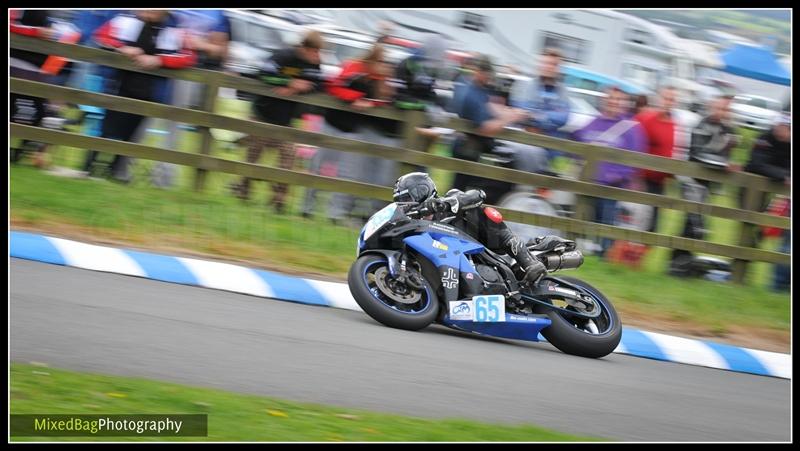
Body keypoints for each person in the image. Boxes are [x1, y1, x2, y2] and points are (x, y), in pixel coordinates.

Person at [82, 10, 197, 182]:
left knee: (131, 135)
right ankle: (90, 168)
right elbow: (101, 35)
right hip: (120, 85)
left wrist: (159, 60)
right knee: (108, 129)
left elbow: (188, 56)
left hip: (150, 92)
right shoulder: (125, 19)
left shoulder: (176, 28)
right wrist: (122, 48)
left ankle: (117, 173)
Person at [393, 172, 547, 286]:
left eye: (407, 200)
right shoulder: (414, 229)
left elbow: (478, 195)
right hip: (455, 272)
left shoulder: (449, 201)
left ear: (422, 192)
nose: (405, 206)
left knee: (482, 211)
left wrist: (443, 204)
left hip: (488, 254)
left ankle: (528, 262)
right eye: (401, 203)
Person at [229, 30, 324, 213]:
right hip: (263, 113)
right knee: (254, 154)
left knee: (288, 156)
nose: (318, 56)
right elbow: (264, 73)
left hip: (286, 120)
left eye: (319, 52)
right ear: (304, 48)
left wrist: (299, 88)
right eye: (315, 51)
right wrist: (287, 82)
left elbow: (319, 84)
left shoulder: (314, 64)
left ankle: (279, 199)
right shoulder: (284, 56)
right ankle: (243, 189)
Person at [320, 43, 402, 224]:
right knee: (322, 167)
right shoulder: (353, 67)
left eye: (387, 62)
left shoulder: (381, 79)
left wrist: (372, 103)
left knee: (355, 174)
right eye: (382, 61)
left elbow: (383, 101)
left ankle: (344, 214)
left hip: (356, 130)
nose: (385, 66)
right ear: (372, 59)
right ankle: (325, 212)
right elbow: (333, 86)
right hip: (334, 125)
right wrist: (355, 98)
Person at [573, 86, 647, 257]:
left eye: (618, 99)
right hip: (587, 183)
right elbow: (577, 143)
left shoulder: (632, 129)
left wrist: (617, 175)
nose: (614, 102)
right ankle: (580, 254)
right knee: (582, 221)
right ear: (604, 100)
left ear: (625, 104)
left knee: (606, 225)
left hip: (612, 188)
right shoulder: (593, 122)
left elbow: (634, 160)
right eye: (611, 98)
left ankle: (603, 256)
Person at [669, 95, 739, 276]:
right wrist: (724, 164)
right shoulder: (701, 125)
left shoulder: (728, 129)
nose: (722, 112)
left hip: (708, 185)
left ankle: (684, 264)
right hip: (692, 181)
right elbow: (699, 154)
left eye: (726, 109)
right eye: (720, 108)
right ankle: (676, 264)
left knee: (699, 227)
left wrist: (727, 158)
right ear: (712, 107)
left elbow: (727, 153)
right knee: (693, 224)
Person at [450, 53, 530, 195]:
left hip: (472, 146)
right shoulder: (471, 93)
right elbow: (485, 127)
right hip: (468, 147)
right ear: (479, 72)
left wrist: (511, 113)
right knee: (462, 187)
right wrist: (511, 118)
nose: (489, 78)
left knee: (463, 186)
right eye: (487, 74)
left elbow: (490, 106)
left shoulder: (473, 86)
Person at [509, 48, 571, 164]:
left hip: (552, 151)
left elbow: (563, 118)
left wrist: (535, 116)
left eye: (554, 64)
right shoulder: (525, 86)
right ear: (540, 65)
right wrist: (548, 117)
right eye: (546, 63)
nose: (549, 67)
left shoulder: (563, 91)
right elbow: (521, 114)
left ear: (559, 68)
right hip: (526, 146)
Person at [634, 85, 678, 233]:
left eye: (672, 99)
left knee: (653, 226)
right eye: (666, 98)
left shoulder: (674, 124)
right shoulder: (645, 119)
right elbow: (632, 140)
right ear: (659, 99)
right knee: (640, 221)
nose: (668, 102)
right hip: (643, 180)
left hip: (661, 182)